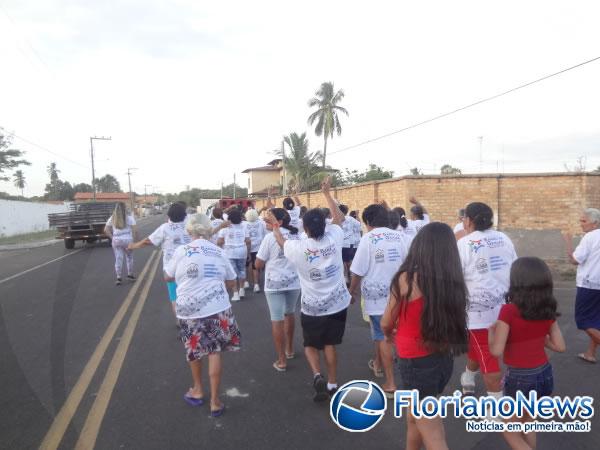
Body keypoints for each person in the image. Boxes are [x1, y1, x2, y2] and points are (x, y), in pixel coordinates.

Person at [381, 222, 468, 450]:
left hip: (415, 361)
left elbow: (386, 322)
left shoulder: (407, 279)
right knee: (414, 418)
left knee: (433, 432)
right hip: (441, 359)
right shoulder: (453, 281)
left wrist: (389, 335)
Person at [267, 176, 351, 402]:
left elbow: (282, 243)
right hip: (337, 303)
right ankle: (333, 383)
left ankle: (317, 376)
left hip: (312, 308)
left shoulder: (298, 247)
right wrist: (326, 194)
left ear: (304, 228)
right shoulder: (335, 236)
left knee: (311, 345)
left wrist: (276, 229)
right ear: (325, 225)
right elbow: (339, 218)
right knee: (330, 344)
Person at [165, 214, 241, 417]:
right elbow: (232, 280)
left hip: (189, 309)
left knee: (194, 350)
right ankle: (215, 401)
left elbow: (168, 275)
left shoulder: (182, 250)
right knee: (214, 351)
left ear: (189, 231)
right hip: (217, 307)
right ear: (208, 230)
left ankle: (198, 389)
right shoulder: (218, 251)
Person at [489, 257, 565, 450]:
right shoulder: (548, 309)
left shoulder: (508, 311)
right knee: (528, 421)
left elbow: (496, 350)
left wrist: (491, 332)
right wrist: (541, 337)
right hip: (544, 374)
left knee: (508, 427)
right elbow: (560, 346)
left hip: (520, 378)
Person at [457, 202, 517, 401]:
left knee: (489, 358)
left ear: (469, 220)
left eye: (464, 217)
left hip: (479, 314)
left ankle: (496, 405)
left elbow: (455, 278)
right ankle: (468, 376)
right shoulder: (504, 238)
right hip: (505, 309)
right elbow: (515, 268)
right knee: (482, 350)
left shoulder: (465, 244)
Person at [128, 203, 229, 318]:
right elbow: (207, 232)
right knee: (190, 291)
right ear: (184, 215)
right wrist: (220, 227)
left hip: (171, 268)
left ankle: (180, 320)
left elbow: (148, 241)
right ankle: (197, 314)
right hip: (191, 264)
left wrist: (134, 246)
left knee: (174, 296)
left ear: (169, 215)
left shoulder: (165, 228)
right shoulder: (190, 226)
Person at [349, 204, 408, 396]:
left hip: (377, 302)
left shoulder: (368, 239)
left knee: (384, 338)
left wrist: (352, 292)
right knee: (402, 336)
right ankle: (408, 378)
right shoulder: (402, 237)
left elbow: (357, 271)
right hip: (402, 298)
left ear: (368, 222)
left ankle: (390, 383)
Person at [255, 208, 301, 371]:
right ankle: (289, 349)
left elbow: (258, 264)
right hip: (294, 282)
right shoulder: (297, 235)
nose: (266, 222)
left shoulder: (269, 238)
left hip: (274, 283)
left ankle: (281, 360)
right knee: (289, 313)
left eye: (269, 219)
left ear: (279, 222)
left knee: (277, 319)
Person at [563, 208, 600, 363]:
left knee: (583, 320)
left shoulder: (590, 237)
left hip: (589, 284)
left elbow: (575, 260)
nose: (581, 224)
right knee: (596, 320)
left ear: (595, 223)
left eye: (584, 221)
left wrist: (568, 243)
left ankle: (590, 352)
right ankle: (590, 353)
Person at [217, 209, 251, 301]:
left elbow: (219, 242)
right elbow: (248, 241)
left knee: (232, 273)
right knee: (242, 270)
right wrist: (248, 253)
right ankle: (242, 289)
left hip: (229, 252)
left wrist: (220, 250)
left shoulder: (225, 227)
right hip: (242, 251)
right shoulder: (244, 226)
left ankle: (235, 293)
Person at [104, 202, 138, 285]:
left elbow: (106, 230)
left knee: (118, 258)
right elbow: (135, 231)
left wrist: (113, 238)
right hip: (127, 240)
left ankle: (118, 277)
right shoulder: (129, 218)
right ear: (125, 209)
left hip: (117, 240)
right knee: (129, 258)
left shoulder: (112, 218)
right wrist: (133, 240)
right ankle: (130, 275)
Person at [245, 208, 267, 293]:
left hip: (247, 247)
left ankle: (246, 282)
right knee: (255, 267)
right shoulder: (261, 223)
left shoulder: (244, 224)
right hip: (258, 247)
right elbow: (265, 234)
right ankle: (256, 284)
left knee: (246, 265)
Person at [339, 204, 362, 283]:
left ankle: (346, 277)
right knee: (349, 261)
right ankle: (350, 276)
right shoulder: (351, 219)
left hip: (341, 244)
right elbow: (359, 227)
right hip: (350, 243)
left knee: (342, 261)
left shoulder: (336, 219)